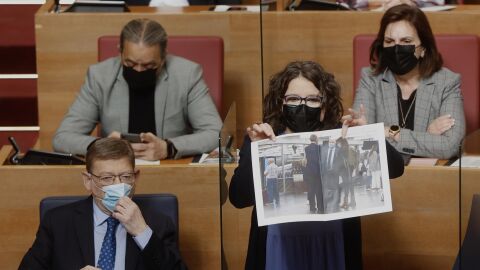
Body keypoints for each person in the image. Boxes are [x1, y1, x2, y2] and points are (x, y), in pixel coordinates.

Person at [229, 61, 405, 270]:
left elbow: (396, 168)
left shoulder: (341, 133)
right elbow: (239, 198)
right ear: (280, 103)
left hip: (332, 244)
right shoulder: (262, 136)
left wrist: (369, 133)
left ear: (323, 105)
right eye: (293, 98)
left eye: (312, 99)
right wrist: (256, 150)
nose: (302, 105)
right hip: (279, 246)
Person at [53, 18, 222, 160]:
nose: (139, 70)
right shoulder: (99, 76)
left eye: (149, 65)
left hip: (169, 169)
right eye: (130, 64)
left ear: (163, 58)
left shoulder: (187, 74)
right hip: (115, 172)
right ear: (120, 53)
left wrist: (169, 148)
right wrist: (104, 146)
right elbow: (63, 138)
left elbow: (217, 134)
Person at [19, 138, 186, 269]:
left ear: (136, 177)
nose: (118, 185)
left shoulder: (158, 224)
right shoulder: (58, 222)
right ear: (88, 181)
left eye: (126, 177)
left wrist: (142, 232)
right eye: (107, 178)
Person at [350, 4, 465, 159]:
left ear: (423, 48)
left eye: (406, 41)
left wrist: (389, 132)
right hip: (387, 178)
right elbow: (363, 142)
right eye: (389, 41)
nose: (397, 48)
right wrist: (425, 135)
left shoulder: (447, 82)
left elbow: (451, 146)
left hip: (429, 178)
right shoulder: (370, 80)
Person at [303, 134, 323, 213]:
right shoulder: (319, 148)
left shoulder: (306, 148)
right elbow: (320, 160)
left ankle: (312, 208)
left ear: (310, 139)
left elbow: (306, 160)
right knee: (319, 190)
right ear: (316, 139)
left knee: (311, 190)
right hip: (318, 172)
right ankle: (320, 208)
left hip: (310, 173)